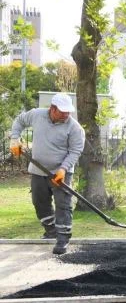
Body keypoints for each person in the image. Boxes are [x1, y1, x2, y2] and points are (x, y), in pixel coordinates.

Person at [9, 93, 85, 255]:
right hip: (38, 171)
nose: (66, 115)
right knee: (39, 202)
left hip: (61, 172)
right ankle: (51, 230)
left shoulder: (74, 128)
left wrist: (63, 169)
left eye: (68, 112)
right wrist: (15, 138)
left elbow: (75, 151)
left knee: (63, 204)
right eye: (62, 111)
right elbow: (19, 121)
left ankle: (63, 238)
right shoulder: (37, 115)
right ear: (52, 108)